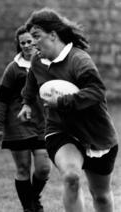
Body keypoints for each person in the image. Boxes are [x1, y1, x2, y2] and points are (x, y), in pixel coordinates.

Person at [18, 8, 119, 212]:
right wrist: (27, 102)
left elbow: (97, 92)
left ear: (53, 35)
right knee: (71, 177)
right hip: (60, 129)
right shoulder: (38, 60)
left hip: (96, 133)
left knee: (101, 197)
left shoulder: (79, 60)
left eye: (37, 36)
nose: (33, 43)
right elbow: (32, 81)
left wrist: (63, 102)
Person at [0, 25, 51, 212]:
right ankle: (29, 208)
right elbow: (2, 99)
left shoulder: (48, 63)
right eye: (23, 43)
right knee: (23, 168)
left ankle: (33, 199)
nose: (27, 45)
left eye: (30, 41)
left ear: (37, 41)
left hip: (42, 123)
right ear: (19, 45)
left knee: (43, 168)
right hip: (17, 123)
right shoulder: (13, 68)